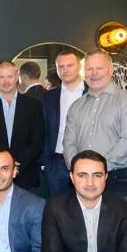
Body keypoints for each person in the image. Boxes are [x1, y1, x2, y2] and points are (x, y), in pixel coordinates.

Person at [63, 50, 127, 197]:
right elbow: (68, 143)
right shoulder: (76, 106)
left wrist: (100, 168)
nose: (94, 73)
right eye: (89, 69)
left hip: (118, 179)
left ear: (111, 70)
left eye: (99, 68)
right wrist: (79, 169)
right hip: (83, 180)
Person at [0, 60, 44, 190]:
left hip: (25, 173)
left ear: (17, 76)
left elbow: (38, 141)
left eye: (10, 76)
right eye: (1, 77)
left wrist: (17, 165)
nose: (6, 81)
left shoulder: (33, 106)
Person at [42, 50, 86, 197]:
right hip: (56, 161)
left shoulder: (92, 92)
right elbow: (44, 130)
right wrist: (46, 162)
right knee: (58, 210)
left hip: (86, 160)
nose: (65, 70)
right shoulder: (48, 97)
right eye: (61, 66)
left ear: (79, 66)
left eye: (70, 65)